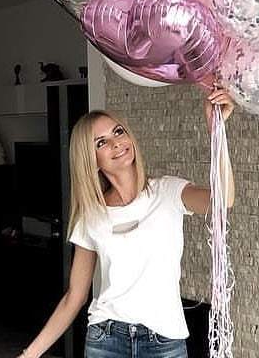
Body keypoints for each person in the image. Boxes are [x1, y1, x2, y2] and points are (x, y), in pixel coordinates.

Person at [17, 87, 235, 358]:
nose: (116, 143)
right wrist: (29, 354)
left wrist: (217, 131)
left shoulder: (167, 192)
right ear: (91, 160)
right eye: (101, 142)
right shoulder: (92, 215)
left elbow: (223, 200)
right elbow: (75, 296)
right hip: (106, 339)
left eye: (118, 132)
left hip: (164, 341)